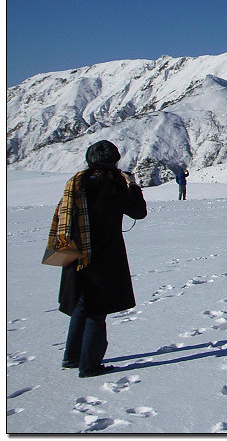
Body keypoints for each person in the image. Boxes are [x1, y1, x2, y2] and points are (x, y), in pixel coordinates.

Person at [53, 140, 147, 378]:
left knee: (82, 305)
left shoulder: (77, 182)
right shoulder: (114, 185)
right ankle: (90, 365)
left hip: (75, 252)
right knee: (97, 310)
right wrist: (133, 185)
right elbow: (139, 212)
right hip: (104, 255)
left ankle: (72, 357)